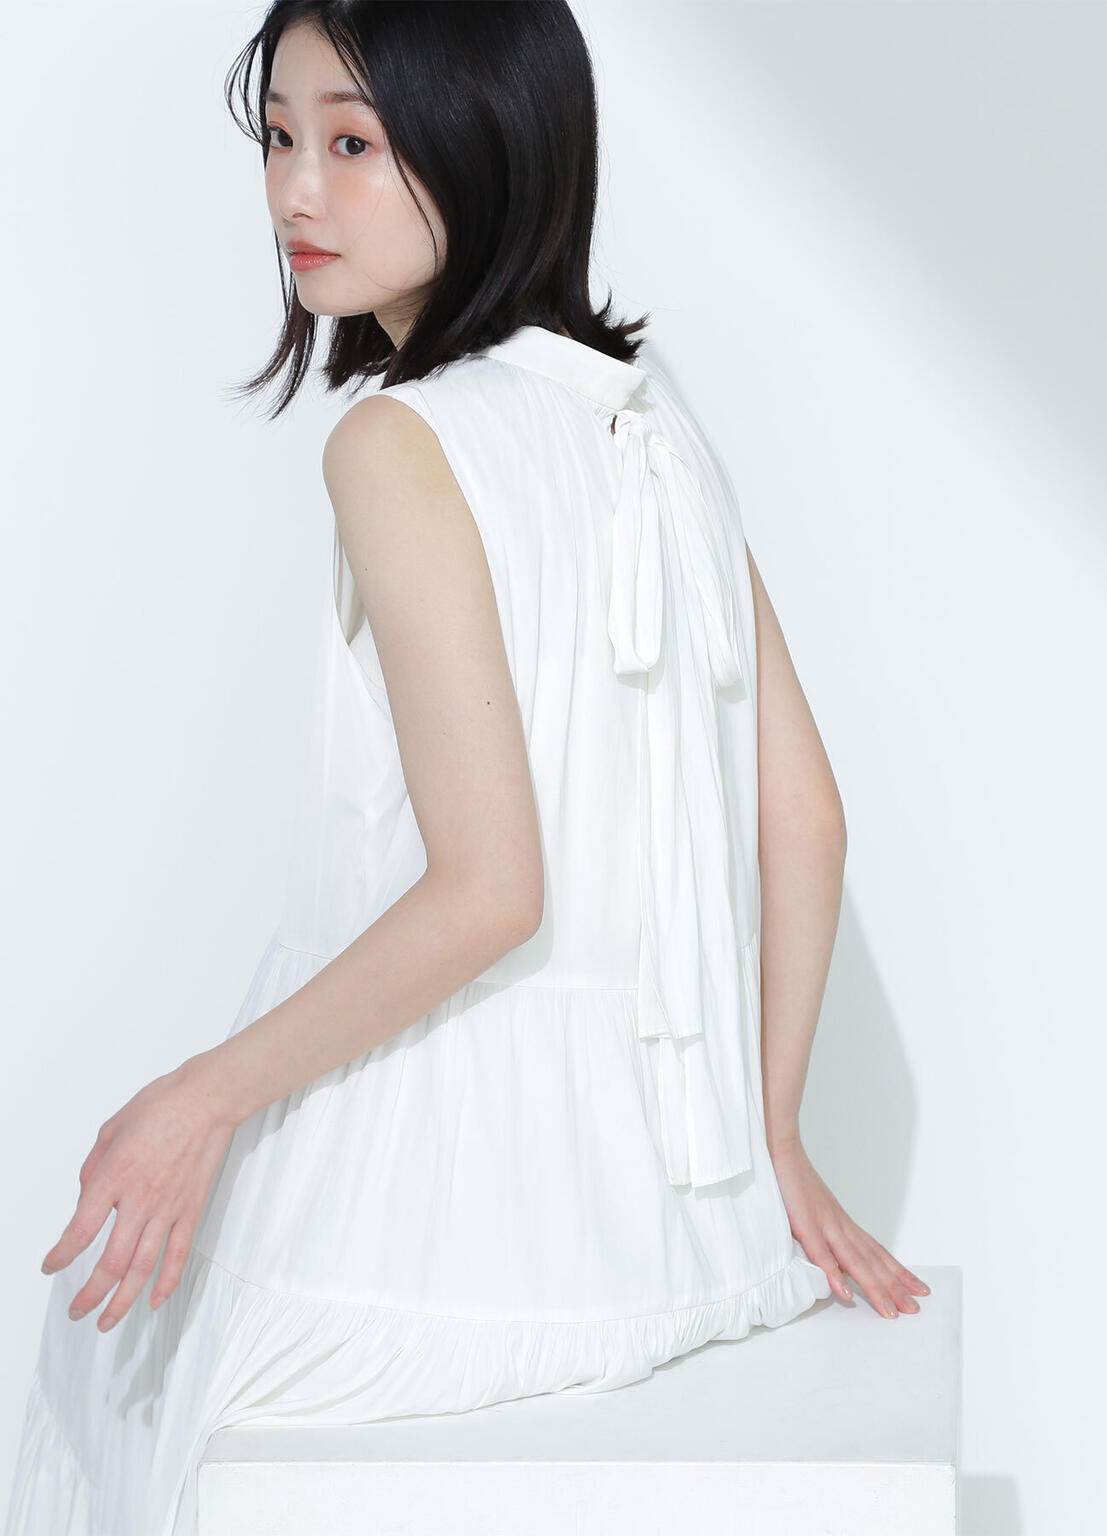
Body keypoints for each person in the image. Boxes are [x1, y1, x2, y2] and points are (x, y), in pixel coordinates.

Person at [5, 3, 928, 1532]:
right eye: (280, 137)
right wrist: (770, 1142)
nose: (297, 191)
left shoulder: (395, 444)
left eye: (354, 143)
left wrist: (199, 1101)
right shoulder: (649, 419)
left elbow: (492, 892)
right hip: (683, 1234)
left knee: (105, 1379)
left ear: (487, 141)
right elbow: (808, 821)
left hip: (443, 1218)